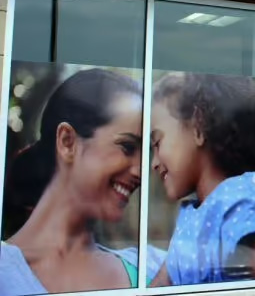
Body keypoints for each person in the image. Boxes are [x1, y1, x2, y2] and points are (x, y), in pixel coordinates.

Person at [0, 68, 156, 295]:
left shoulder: (149, 268)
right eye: (127, 147)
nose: (141, 171)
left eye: (147, 153)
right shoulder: (5, 275)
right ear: (67, 142)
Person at [148, 72, 255, 286]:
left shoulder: (238, 201)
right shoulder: (193, 218)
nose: (154, 162)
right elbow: (161, 283)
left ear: (198, 126)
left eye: (157, 143)